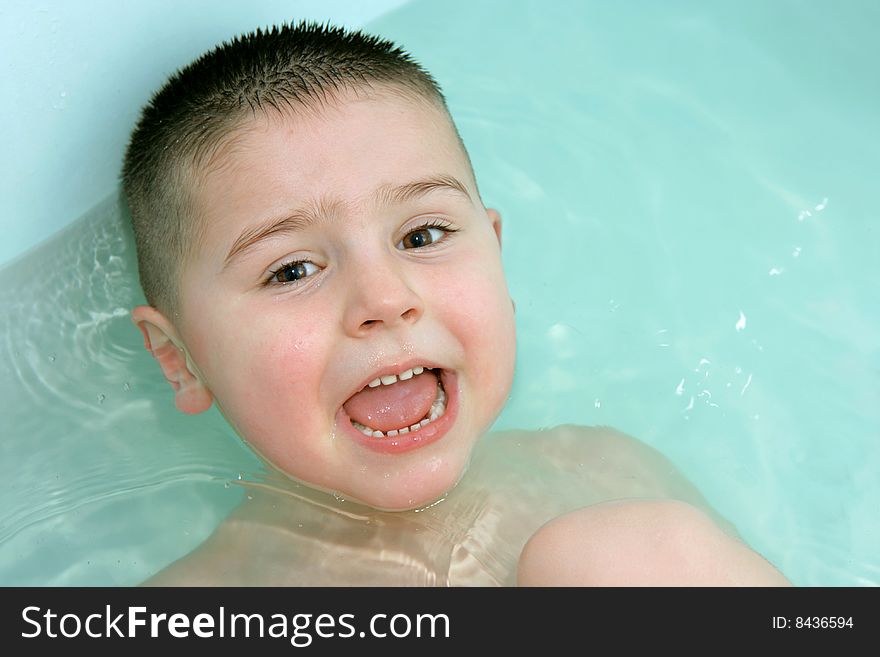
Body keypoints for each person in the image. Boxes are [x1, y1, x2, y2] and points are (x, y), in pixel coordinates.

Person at [122, 21, 789, 586]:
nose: (385, 299)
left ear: (497, 257)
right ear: (178, 359)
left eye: (422, 235)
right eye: (292, 269)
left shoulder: (605, 470)